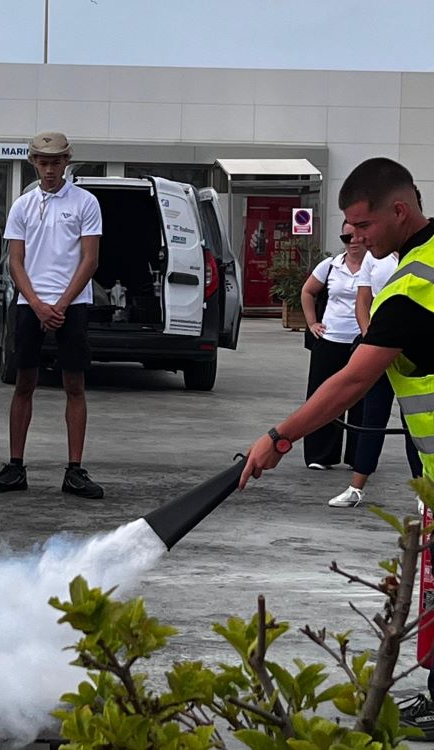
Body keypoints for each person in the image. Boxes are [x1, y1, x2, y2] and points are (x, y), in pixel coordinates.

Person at [240, 157, 434, 739]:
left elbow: (352, 380)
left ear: (399, 211)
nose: (356, 239)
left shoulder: (408, 289)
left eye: (363, 226)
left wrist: (280, 437)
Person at [0, 131, 104, 498]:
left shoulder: (86, 202)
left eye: (56, 162)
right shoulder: (22, 205)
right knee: (23, 383)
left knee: (74, 385)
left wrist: (62, 304)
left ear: (67, 162)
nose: (49, 170)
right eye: (43, 162)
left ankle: (75, 469)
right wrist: (36, 304)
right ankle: (16, 466)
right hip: (30, 304)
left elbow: (90, 259)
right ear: (33, 162)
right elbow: (15, 261)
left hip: (73, 305)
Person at [325, 242, 424, 507]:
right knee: (372, 418)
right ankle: (356, 488)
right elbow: (363, 302)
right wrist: (371, 339)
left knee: (415, 423)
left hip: (416, 351)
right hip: (380, 347)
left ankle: (423, 492)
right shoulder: (374, 257)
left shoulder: (423, 253)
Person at [300, 224, 366, 470]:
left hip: (362, 342)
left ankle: (359, 456)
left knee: (362, 399)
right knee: (323, 397)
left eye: (358, 235)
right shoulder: (330, 265)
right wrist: (312, 323)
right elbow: (307, 291)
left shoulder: (377, 265)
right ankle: (320, 454)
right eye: (347, 236)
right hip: (330, 339)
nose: (353, 241)